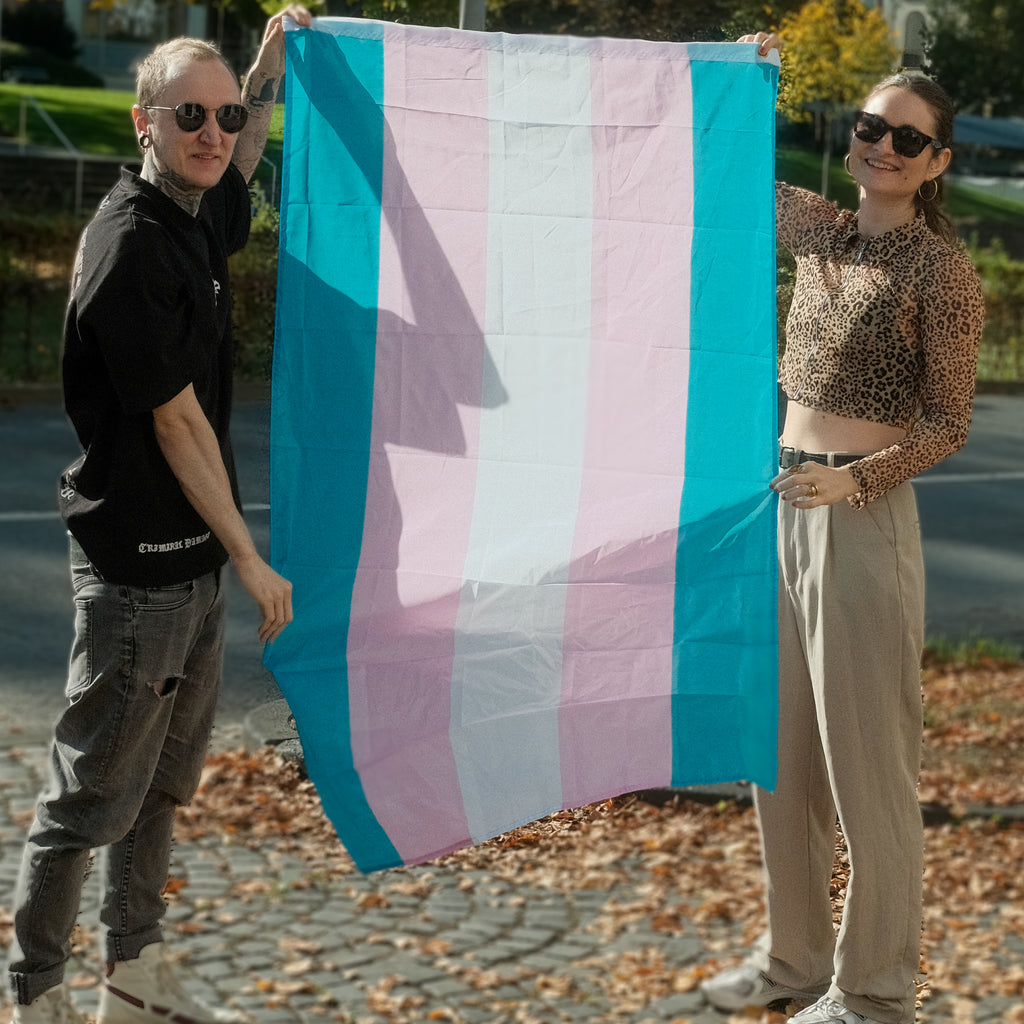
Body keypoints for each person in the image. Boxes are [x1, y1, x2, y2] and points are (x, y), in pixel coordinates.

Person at [7, 6, 312, 1023]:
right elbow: (177, 422)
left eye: (225, 113)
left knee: (160, 792)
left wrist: (262, 68)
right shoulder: (129, 246)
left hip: (188, 571)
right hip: (137, 574)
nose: (216, 131)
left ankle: (132, 977)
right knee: (90, 798)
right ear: (145, 120)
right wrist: (252, 560)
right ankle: (38, 992)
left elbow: (252, 143)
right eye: (191, 112)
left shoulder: (193, 205)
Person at [699, 35, 985, 1024]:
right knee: (776, 756)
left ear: (939, 161)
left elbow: (950, 424)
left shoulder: (940, 273)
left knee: (869, 763)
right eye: (871, 128)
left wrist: (857, 480)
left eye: (909, 138)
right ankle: (791, 959)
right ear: (850, 134)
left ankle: (873, 991)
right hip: (779, 505)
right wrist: (741, 72)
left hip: (861, 521)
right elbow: (720, 163)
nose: (885, 147)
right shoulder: (822, 231)